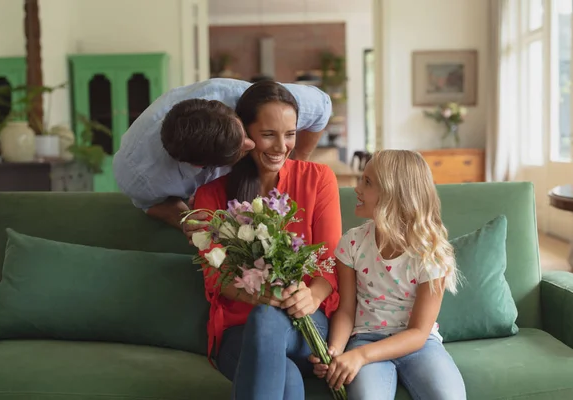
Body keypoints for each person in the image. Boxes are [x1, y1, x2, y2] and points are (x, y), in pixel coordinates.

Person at [192, 80, 342, 400]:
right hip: (238, 333)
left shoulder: (318, 179)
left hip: (305, 324)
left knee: (268, 320)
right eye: (268, 135)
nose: (281, 147)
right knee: (285, 376)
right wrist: (256, 294)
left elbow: (330, 263)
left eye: (290, 134)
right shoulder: (210, 195)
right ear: (245, 136)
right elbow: (214, 276)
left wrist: (312, 296)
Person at [309, 150, 466, 400]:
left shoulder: (431, 253)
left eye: (367, 182)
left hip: (419, 345)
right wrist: (335, 352)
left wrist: (360, 357)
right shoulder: (351, 243)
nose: (357, 189)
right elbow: (347, 310)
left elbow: (418, 332)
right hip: (365, 339)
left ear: (396, 194)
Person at [112, 78, 332, 241]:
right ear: (202, 166)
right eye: (240, 151)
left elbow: (322, 106)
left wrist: (297, 161)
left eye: (244, 133)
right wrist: (185, 219)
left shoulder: (253, 102)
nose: (251, 144)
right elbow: (150, 203)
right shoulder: (138, 174)